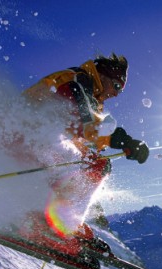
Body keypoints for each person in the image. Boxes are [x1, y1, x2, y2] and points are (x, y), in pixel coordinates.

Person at [15, 53, 149, 255]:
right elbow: (81, 122)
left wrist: (99, 151)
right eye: (117, 86)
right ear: (104, 76)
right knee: (84, 166)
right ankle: (42, 224)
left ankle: (64, 222)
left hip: (33, 138)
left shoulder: (89, 92)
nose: (117, 93)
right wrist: (122, 140)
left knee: (96, 165)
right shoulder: (76, 82)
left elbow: (79, 135)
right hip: (21, 133)